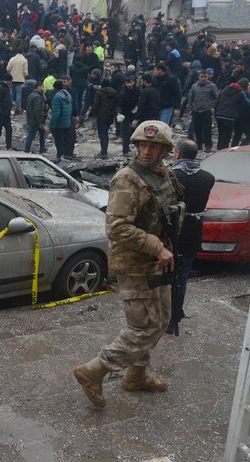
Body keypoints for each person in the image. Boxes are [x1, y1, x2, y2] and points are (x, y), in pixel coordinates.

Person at [74, 120, 183, 408]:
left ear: (164, 150)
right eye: (142, 145)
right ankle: (94, 370)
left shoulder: (164, 175)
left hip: (158, 262)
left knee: (158, 321)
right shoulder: (127, 179)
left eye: (154, 146)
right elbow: (117, 227)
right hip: (136, 265)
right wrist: (156, 247)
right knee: (143, 327)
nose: (146, 151)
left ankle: (136, 375)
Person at [169, 140, 214, 333]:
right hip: (194, 231)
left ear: (178, 154)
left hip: (172, 232)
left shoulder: (171, 175)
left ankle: (166, 315)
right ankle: (175, 314)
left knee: (165, 276)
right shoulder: (208, 178)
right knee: (183, 274)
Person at [186, 71, 218, 152]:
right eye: (202, 76)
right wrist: (190, 107)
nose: (203, 78)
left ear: (207, 77)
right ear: (198, 77)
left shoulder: (211, 86)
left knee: (207, 128)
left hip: (206, 110)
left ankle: (208, 145)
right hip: (196, 110)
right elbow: (191, 97)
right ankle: (199, 145)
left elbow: (216, 97)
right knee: (197, 128)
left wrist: (212, 106)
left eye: (205, 77)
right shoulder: (194, 86)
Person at [89, 78, 118, 158]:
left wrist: (90, 114)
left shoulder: (99, 93)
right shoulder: (114, 93)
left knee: (102, 134)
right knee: (105, 133)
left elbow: (95, 104)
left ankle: (104, 152)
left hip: (101, 116)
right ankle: (104, 151)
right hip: (110, 116)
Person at [49, 80, 73, 160]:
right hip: (67, 122)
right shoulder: (67, 94)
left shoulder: (57, 97)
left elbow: (56, 114)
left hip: (59, 124)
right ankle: (66, 156)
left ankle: (59, 157)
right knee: (65, 140)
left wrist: (51, 125)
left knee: (59, 142)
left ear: (55, 88)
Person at [23, 79, 47, 153]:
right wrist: (41, 122)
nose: (43, 88)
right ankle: (27, 151)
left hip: (31, 118)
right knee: (31, 136)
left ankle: (42, 149)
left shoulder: (31, 95)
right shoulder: (37, 97)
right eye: (42, 86)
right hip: (36, 120)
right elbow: (38, 110)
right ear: (38, 87)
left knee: (40, 134)